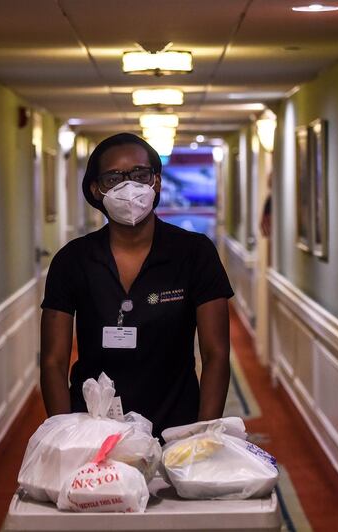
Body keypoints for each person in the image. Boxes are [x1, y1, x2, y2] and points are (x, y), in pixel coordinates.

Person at [39, 133, 234, 438]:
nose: (128, 186)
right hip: (93, 426)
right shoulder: (73, 260)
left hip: (177, 424)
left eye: (140, 175)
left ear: (156, 182)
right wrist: (65, 436)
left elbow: (216, 354)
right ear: (96, 188)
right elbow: (53, 361)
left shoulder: (194, 253)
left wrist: (202, 436)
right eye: (113, 177)